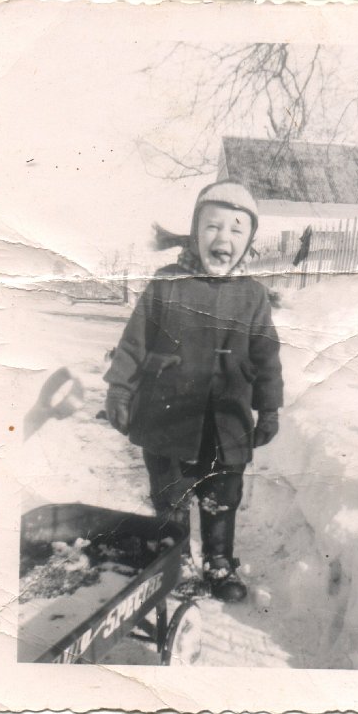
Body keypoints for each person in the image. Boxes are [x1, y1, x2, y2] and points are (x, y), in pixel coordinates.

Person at [104, 181, 283, 602]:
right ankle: (174, 558)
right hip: (167, 415)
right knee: (171, 493)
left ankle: (218, 562)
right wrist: (119, 391)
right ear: (194, 231)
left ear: (249, 241)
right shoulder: (166, 285)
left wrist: (269, 408)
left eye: (237, 230)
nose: (224, 240)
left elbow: (266, 356)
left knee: (223, 494)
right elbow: (135, 343)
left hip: (227, 420)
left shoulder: (253, 297)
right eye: (212, 227)